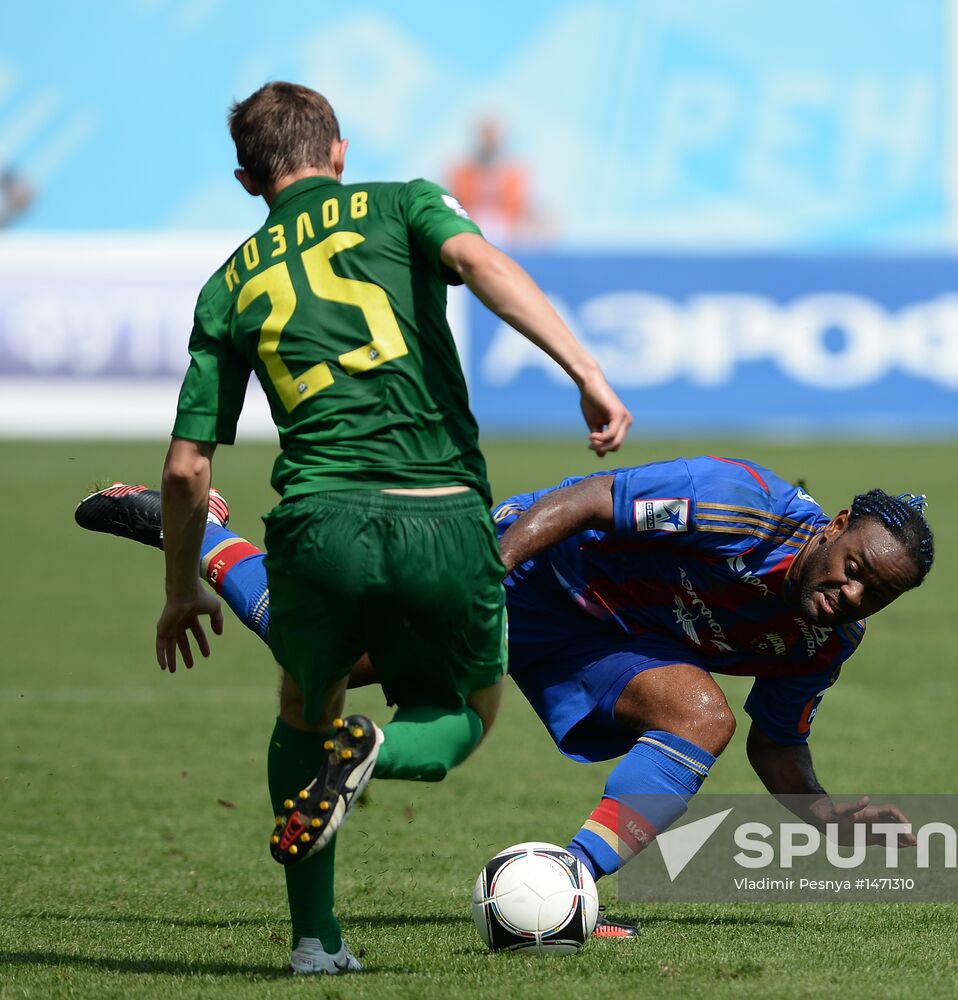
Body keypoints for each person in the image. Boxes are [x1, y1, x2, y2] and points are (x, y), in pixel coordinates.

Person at [152, 82, 631, 975]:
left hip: (315, 523)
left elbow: (185, 470)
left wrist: (181, 585)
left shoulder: (228, 283)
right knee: (461, 712)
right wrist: (586, 370)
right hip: (440, 511)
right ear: (337, 149)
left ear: (247, 181)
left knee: (304, 707)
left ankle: (313, 940)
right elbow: (485, 267)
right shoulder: (405, 200)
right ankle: (378, 751)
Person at [79, 455, 933, 939]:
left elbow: (775, 745)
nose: (853, 594)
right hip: (530, 570)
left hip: (606, 645)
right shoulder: (742, 505)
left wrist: (825, 818)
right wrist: (490, 571)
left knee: (700, 716)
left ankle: (569, 887)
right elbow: (589, 498)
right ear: (836, 527)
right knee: (332, 659)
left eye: (876, 595)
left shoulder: (824, 640)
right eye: (855, 569)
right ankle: (199, 532)